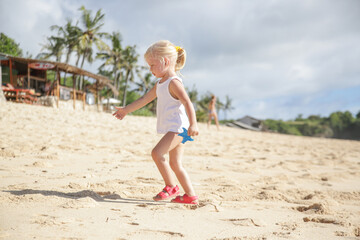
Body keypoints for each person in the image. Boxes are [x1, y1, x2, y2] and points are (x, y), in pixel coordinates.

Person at [113, 40, 199, 204]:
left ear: (165, 62)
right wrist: (126, 110)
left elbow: (188, 102)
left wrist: (193, 124)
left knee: (156, 153)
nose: (150, 69)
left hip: (179, 129)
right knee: (175, 163)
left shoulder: (173, 82)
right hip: (175, 129)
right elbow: (145, 99)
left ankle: (171, 186)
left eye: (152, 65)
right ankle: (190, 195)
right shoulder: (160, 84)